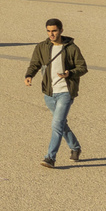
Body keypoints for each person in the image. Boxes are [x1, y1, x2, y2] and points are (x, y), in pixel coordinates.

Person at [24, 18, 87, 168]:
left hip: (65, 92)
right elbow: (35, 63)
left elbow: (83, 67)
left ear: (61, 30)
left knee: (57, 124)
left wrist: (69, 73)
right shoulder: (42, 47)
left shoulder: (71, 48)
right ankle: (75, 147)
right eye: (49, 31)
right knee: (61, 124)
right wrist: (29, 75)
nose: (51, 34)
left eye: (54, 31)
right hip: (49, 92)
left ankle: (50, 158)